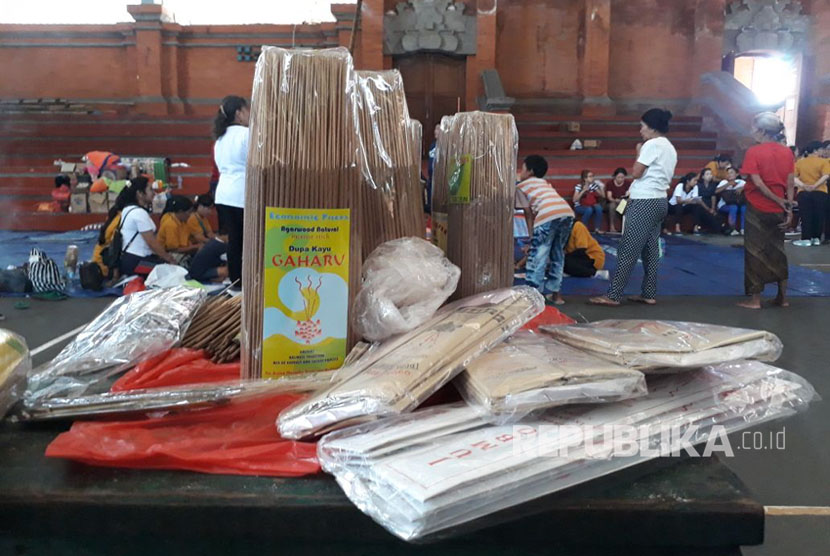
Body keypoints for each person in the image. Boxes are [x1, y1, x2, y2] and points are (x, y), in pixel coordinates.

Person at [589, 108, 677, 306]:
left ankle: (614, 295)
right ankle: (649, 293)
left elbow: (636, 173)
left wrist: (638, 153)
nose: (641, 130)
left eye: (643, 126)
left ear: (652, 128)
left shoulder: (651, 145)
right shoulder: (670, 147)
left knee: (629, 247)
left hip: (644, 200)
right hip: (660, 200)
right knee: (651, 248)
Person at [737, 112, 795, 310]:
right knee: (778, 250)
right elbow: (789, 181)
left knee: (755, 251)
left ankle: (754, 300)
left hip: (758, 206)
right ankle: (783, 297)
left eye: (753, 128)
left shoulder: (754, 152)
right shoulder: (786, 152)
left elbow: (757, 182)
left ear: (761, 131)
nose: (752, 132)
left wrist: (777, 199)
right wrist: (787, 205)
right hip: (779, 208)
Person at [515, 154, 575, 305]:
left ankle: (532, 297)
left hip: (547, 215)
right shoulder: (545, 183)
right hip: (566, 213)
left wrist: (531, 239)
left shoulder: (521, 186)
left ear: (530, 171)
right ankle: (557, 296)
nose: (520, 172)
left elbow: (528, 214)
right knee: (557, 254)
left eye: (522, 168)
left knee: (538, 256)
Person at [213, 95, 250, 287]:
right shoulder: (246, 134)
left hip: (223, 194)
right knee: (248, 241)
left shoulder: (220, 138)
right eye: (247, 110)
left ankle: (236, 282)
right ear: (239, 113)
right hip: (241, 194)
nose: (249, 114)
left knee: (234, 242)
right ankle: (248, 282)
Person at [117, 177, 177, 276]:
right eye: (150, 189)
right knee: (172, 272)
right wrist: (169, 258)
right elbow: (151, 242)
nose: (154, 193)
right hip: (137, 262)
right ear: (140, 193)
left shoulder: (128, 209)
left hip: (128, 260)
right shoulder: (139, 213)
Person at [792, 141, 830, 246]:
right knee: (819, 215)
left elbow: (794, 178)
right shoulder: (824, 162)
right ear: (815, 150)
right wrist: (816, 185)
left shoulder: (800, 162)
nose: (823, 151)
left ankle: (806, 239)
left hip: (804, 192)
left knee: (805, 215)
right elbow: (826, 175)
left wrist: (804, 186)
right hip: (821, 192)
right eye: (821, 149)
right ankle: (816, 238)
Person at [158, 195, 200, 265]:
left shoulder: (183, 221)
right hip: (167, 254)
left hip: (181, 250)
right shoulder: (171, 224)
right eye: (189, 212)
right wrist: (195, 247)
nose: (190, 215)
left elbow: (187, 238)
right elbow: (173, 249)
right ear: (181, 212)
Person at [696, 167, 730, 234]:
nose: (710, 176)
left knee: (717, 215)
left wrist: (713, 208)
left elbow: (713, 196)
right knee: (706, 214)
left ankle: (724, 228)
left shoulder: (713, 185)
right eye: (707, 174)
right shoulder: (698, 185)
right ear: (702, 176)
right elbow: (698, 199)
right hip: (701, 204)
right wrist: (708, 209)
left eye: (711, 174)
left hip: (710, 204)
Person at [716, 167, 747, 235]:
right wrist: (728, 184)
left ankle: (743, 229)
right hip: (724, 205)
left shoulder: (741, 182)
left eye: (731, 172)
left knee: (744, 208)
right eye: (728, 173)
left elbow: (750, 186)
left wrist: (742, 188)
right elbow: (716, 191)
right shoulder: (724, 182)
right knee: (733, 207)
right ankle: (733, 229)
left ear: (737, 174)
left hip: (739, 203)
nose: (729, 174)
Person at [605, 167, 630, 233]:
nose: (621, 179)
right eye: (619, 177)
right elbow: (609, 196)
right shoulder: (610, 183)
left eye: (622, 177)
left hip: (623, 202)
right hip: (613, 202)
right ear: (615, 177)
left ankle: (625, 227)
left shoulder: (627, 184)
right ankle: (612, 226)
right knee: (612, 206)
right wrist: (615, 200)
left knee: (625, 205)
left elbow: (628, 195)